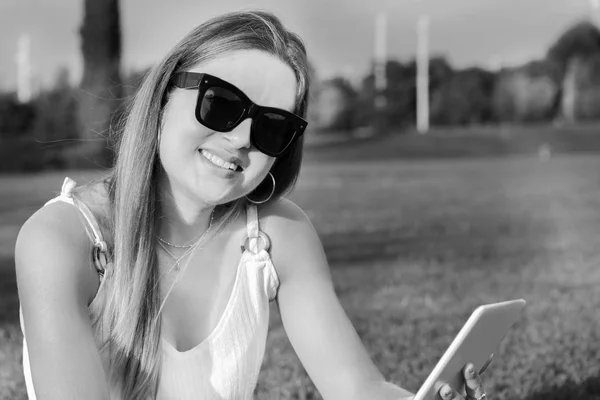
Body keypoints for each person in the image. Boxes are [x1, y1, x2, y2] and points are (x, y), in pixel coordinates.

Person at [15, 10, 489, 400]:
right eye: (220, 104)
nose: (241, 139)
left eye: (271, 127)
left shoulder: (276, 236)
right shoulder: (61, 239)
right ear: (161, 97)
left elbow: (358, 388)